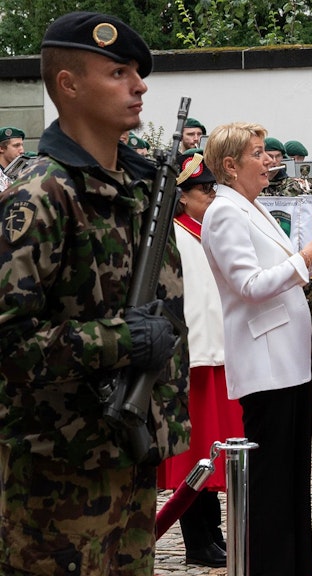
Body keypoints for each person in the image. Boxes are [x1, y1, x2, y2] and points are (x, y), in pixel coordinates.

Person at [0, 11, 188, 574]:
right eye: (118, 72)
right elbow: (8, 343)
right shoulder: (41, 196)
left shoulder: (136, 191)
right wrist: (120, 339)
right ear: (69, 84)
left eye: (138, 72)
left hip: (126, 454)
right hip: (55, 474)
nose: (139, 86)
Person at [201, 122, 312, 576]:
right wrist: (304, 260)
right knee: (271, 483)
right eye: (259, 153)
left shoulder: (252, 207)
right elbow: (248, 284)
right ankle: (272, 566)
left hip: (288, 361)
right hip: (265, 363)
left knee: (290, 479)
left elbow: (285, 263)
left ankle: (295, 564)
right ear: (230, 165)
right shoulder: (224, 212)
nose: (269, 161)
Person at [156, 151, 245, 569]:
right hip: (193, 357)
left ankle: (212, 532)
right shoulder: (171, 233)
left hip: (215, 353)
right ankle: (198, 539)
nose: (210, 195)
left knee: (213, 447)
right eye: (202, 189)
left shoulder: (200, 228)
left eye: (212, 188)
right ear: (182, 196)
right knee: (195, 453)